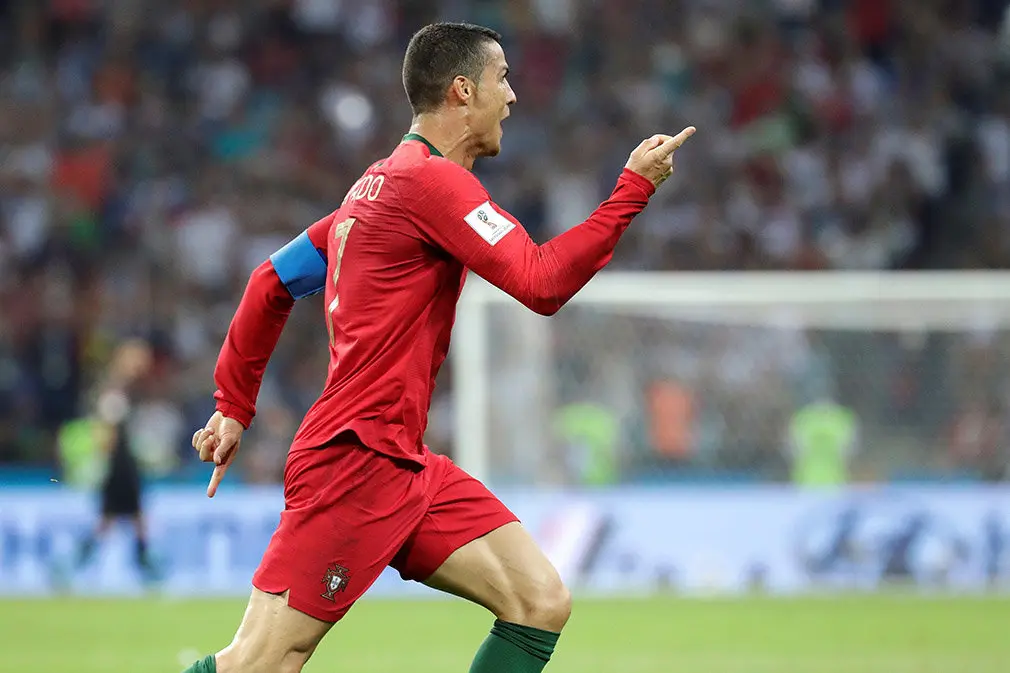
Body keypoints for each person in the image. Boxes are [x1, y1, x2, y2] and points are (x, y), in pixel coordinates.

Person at [184, 22, 694, 673]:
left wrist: (233, 404)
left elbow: (272, 280)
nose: (511, 96)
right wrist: (633, 188)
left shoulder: (373, 188)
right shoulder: (429, 184)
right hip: (354, 460)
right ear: (462, 90)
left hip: (402, 460)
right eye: (501, 78)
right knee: (259, 663)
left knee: (539, 600)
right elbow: (540, 282)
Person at [74, 339, 157, 582]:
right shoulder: (114, 390)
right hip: (120, 465)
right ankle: (144, 564)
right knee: (122, 518)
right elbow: (106, 429)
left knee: (121, 518)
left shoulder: (123, 390)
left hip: (122, 463)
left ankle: (78, 561)